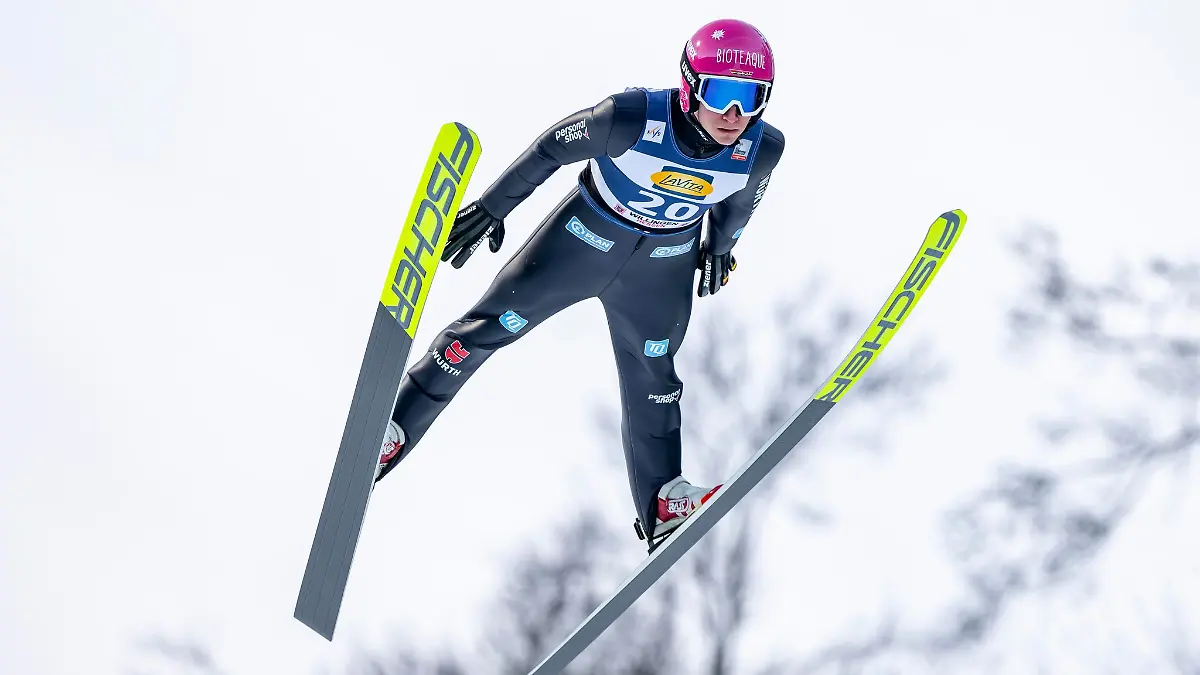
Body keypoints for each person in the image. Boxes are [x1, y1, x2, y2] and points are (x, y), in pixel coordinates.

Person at [374, 18, 786, 552]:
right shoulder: (631, 117)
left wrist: (719, 249)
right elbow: (552, 147)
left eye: (751, 98)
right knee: (487, 329)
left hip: (662, 266)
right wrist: (491, 209)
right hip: (584, 239)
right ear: (690, 86)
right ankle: (393, 430)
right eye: (722, 93)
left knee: (654, 374)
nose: (735, 114)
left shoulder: (761, 148)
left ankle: (663, 502)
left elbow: (738, 205)